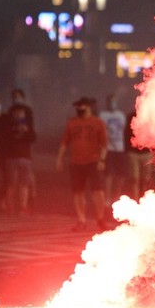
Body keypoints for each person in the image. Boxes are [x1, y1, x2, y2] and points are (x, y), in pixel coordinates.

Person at [56, 97, 109, 231]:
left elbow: (104, 145)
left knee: (98, 191)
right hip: (76, 162)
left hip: (93, 161)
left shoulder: (98, 123)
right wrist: (59, 159)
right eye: (78, 106)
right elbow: (64, 143)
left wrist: (102, 160)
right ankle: (81, 220)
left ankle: (100, 218)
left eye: (82, 106)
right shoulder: (72, 123)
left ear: (89, 107)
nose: (79, 109)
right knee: (78, 192)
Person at [4, 102, 36, 214]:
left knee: (24, 184)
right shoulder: (8, 125)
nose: (19, 115)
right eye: (17, 112)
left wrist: (26, 129)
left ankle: (23, 206)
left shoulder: (28, 124)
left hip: (25, 157)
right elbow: (5, 140)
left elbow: (33, 138)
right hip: (11, 158)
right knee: (11, 183)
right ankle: (10, 206)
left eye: (21, 113)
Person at [99, 94, 129, 203]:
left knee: (121, 174)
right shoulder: (103, 115)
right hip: (108, 148)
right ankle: (107, 197)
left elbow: (123, 130)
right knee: (108, 174)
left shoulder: (121, 115)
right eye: (111, 101)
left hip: (120, 148)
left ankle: (117, 196)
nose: (112, 103)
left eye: (114, 101)